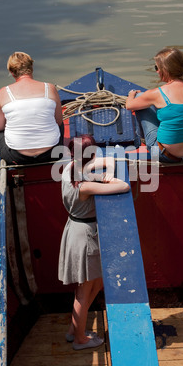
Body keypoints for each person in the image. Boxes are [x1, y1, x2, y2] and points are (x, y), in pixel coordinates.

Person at [58, 135, 130, 350]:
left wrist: (107, 169)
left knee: (96, 282)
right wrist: (109, 179)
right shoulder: (86, 186)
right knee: (83, 291)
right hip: (85, 238)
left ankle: (75, 329)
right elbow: (124, 186)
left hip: (74, 230)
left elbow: (110, 160)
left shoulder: (70, 167)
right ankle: (79, 339)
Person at [126, 47, 183, 163]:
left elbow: (129, 105)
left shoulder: (157, 94)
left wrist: (131, 94)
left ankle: (140, 141)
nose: (156, 71)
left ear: (165, 70)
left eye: (156, 68)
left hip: (166, 155)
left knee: (140, 98)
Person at [0, 51, 64, 165]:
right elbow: (59, 121)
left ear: (12, 72)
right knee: (59, 123)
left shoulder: (3, 92)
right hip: (52, 154)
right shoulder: (49, 88)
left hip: (17, 157)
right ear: (31, 67)